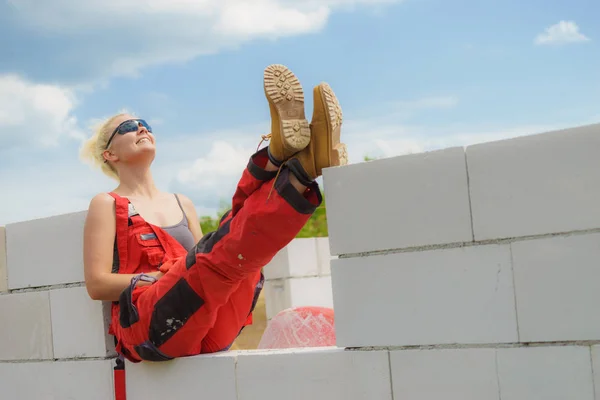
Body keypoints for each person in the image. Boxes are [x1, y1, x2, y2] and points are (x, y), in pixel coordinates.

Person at [80, 64, 347, 363]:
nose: (142, 128)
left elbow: (217, 252)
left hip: (204, 322)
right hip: (151, 327)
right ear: (110, 154)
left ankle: (296, 166)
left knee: (232, 240)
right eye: (129, 127)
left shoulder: (182, 203)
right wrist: (156, 278)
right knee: (215, 255)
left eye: (145, 124)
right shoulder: (108, 203)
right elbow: (97, 284)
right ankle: (284, 162)